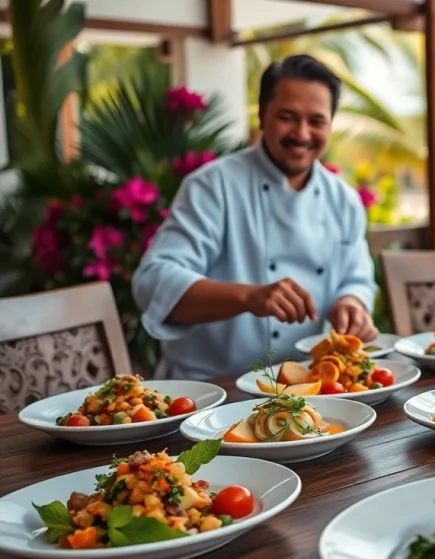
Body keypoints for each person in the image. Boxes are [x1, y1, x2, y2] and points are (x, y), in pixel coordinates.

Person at [133, 55, 378, 381]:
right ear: (262, 115)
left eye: (316, 121)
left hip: (307, 385)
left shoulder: (343, 199)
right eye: (287, 117)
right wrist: (248, 297)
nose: (302, 133)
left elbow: (357, 278)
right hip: (209, 388)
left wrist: (352, 303)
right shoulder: (213, 185)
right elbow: (153, 281)